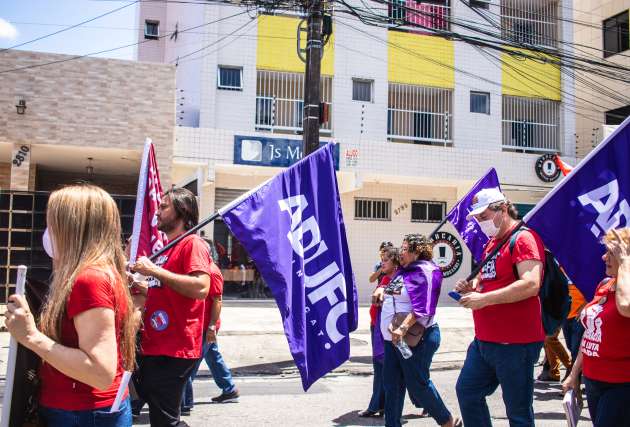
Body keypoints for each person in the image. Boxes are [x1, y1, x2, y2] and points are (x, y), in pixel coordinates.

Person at [4, 184, 136, 426]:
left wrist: (31, 336)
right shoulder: (96, 273)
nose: (47, 232)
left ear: (72, 227)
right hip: (81, 411)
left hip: (83, 414)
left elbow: (100, 372)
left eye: (52, 223)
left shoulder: (89, 279)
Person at [454, 188, 545, 427]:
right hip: (485, 340)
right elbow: (489, 278)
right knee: (467, 391)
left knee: (518, 412)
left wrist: (484, 299)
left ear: (502, 209)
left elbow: (531, 284)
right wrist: (473, 285)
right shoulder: (492, 243)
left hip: (514, 343)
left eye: (484, 216)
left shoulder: (524, 238)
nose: (481, 222)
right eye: (478, 218)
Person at [131, 188, 212, 427]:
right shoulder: (167, 249)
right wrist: (137, 283)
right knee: (152, 403)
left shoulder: (193, 244)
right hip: (155, 344)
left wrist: (154, 270)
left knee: (164, 420)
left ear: (182, 211)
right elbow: (164, 292)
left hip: (175, 347)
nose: (157, 212)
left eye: (164, 206)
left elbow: (201, 287)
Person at [381, 234, 460, 427]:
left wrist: (402, 328)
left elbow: (423, 308)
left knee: (417, 384)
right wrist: (381, 291)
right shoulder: (404, 270)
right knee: (392, 384)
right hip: (394, 339)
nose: (401, 252)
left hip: (414, 338)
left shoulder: (426, 271)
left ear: (417, 251)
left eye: (405, 248)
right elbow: (395, 293)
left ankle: (447, 421)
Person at [563, 227, 630, 427]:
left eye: (611, 252)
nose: (604, 257)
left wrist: (625, 261)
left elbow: (625, 307)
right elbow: (591, 333)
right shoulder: (604, 285)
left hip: (621, 384)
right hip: (593, 380)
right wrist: (574, 374)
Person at [181, 261, 239, 414]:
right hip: (202, 325)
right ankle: (229, 389)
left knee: (189, 363)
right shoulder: (202, 269)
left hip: (205, 327)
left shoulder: (212, 271)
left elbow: (217, 300)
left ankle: (184, 402)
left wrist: (211, 327)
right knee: (213, 357)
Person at [359, 244, 396, 418]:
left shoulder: (399, 279)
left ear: (395, 262)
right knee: (380, 369)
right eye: (382, 259)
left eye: (386, 259)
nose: (382, 262)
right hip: (377, 327)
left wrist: (383, 291)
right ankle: (377, 405)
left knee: (399, 371)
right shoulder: (385, 276)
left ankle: (425, 401)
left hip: (388, 331)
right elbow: (371, 280)